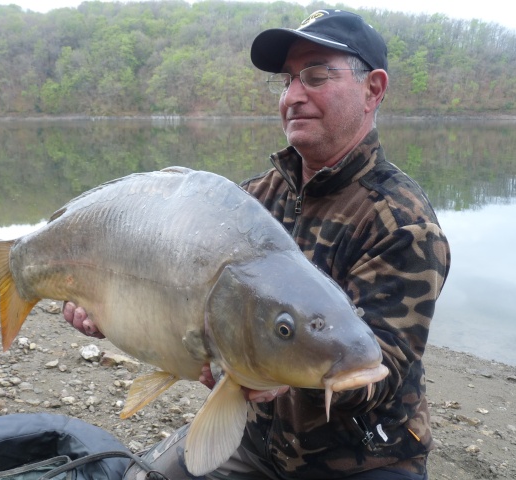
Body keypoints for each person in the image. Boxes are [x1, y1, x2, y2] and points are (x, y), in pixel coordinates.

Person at [64, 9, 450, 480]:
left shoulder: (403, 224)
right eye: (287, 79)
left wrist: (274, 376)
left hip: (363, 457)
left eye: (316, 75)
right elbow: (180, 294)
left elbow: (376, 370)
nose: (293, 95)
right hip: (256, 439)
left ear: (373, 89)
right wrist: (120, 313)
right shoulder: (252, 200)